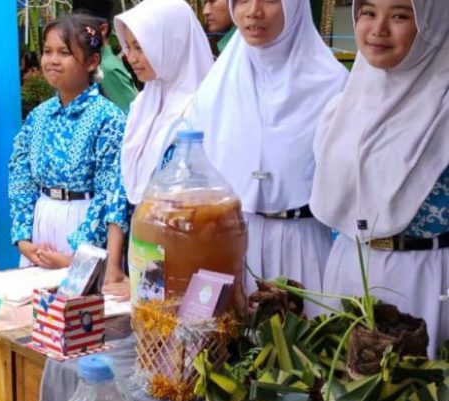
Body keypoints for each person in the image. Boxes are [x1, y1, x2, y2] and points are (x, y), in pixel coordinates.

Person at [188, 0, 348, 311]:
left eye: (270, 0)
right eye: (242, 0)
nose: (253, 11)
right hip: (234, 240)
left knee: (305, 335)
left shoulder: (333, 84)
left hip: (303, 244)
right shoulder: (217, 85)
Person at [311, 0, 449, 356]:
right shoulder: (342, 109)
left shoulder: (443, 111)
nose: (378, 29)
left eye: (400, 16)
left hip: (426, 282)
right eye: (368, 13)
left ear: (432, 25)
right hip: (348, 271)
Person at [103, 0, 214, 298]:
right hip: (140, 254)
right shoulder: (143, 106)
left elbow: (191, 213)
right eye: (128, 47)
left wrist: (146, 283)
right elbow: (121, 186)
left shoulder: (201, 111)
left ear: (171, 43)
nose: (130, 58)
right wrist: (115, 264)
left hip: (180, 263)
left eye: (140, 47)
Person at [8, 14, 128, 270]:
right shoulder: (39, 116)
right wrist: (23, 239)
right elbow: (20, 176)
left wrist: (74, 258)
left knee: (76, 295)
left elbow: (110, 194)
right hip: (39, 231)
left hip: (83, 232)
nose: (52, 60)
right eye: (47, 51)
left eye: (64, 53)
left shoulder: (108, 118)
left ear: (92, 61)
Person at [72, 0, 138, 113]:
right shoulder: (102, 65)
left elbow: (132, 118)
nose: (73, 33)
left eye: (81, 28)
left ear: (103, 29)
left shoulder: (106, 69)